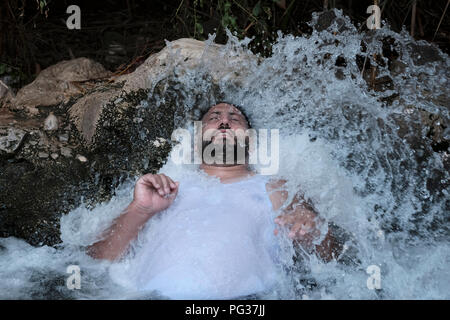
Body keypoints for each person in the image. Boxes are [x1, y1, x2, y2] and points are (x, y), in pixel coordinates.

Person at [87, 102, 341, 298]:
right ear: (197, 144)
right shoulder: (165, 188)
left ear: (250, 142)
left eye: (235, 119)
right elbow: (94, 264)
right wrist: (140, 210)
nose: (224, 122)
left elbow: (332, 258)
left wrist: (312, 229)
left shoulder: (276, 187)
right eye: (213, 118)